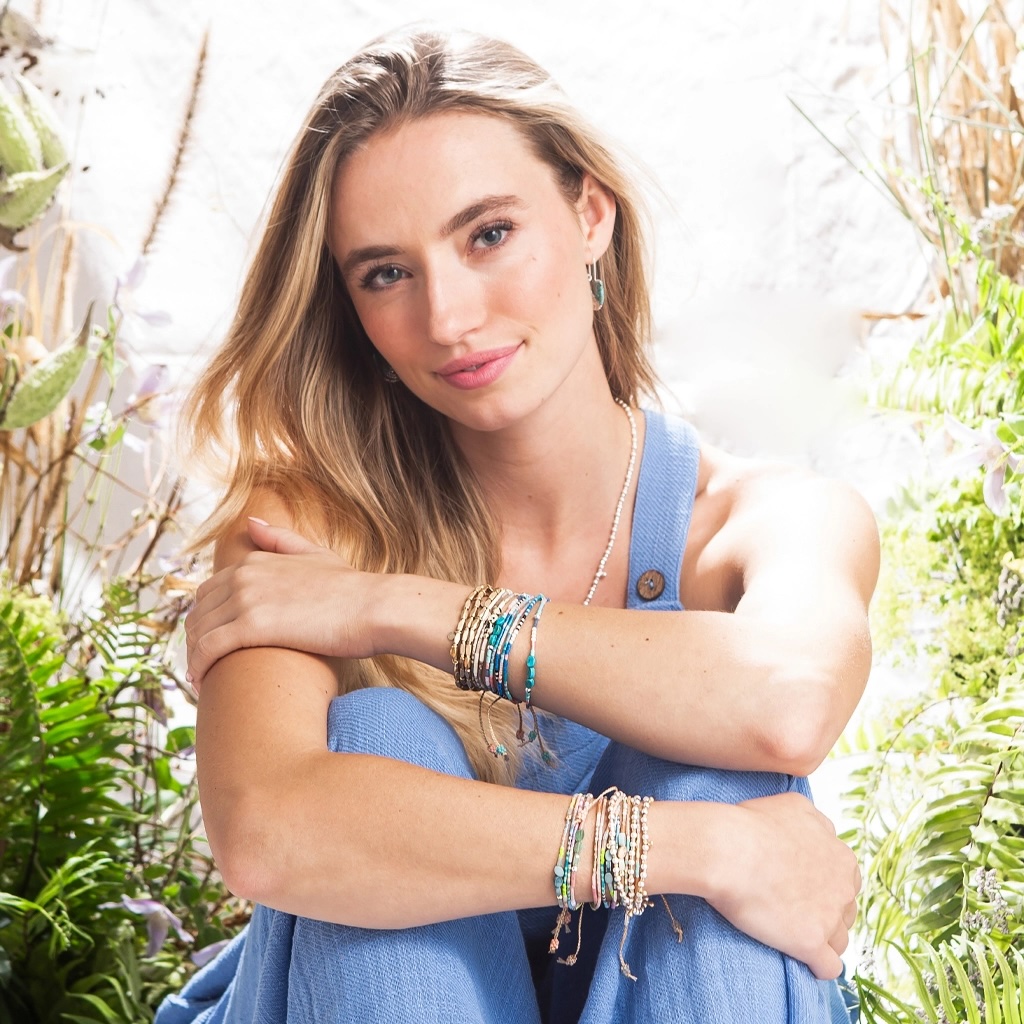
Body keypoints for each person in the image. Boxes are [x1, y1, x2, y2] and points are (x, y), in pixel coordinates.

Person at [158, 25, 879, 1024]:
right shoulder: (304, 528)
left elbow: (788, 703)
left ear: (590, 214)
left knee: (714, 764)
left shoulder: (766, 517)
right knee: (380, 735)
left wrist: (386, 608)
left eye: (487, 235)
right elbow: (268, 833)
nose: (448, 317)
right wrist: (705, 850)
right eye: (385, 273)